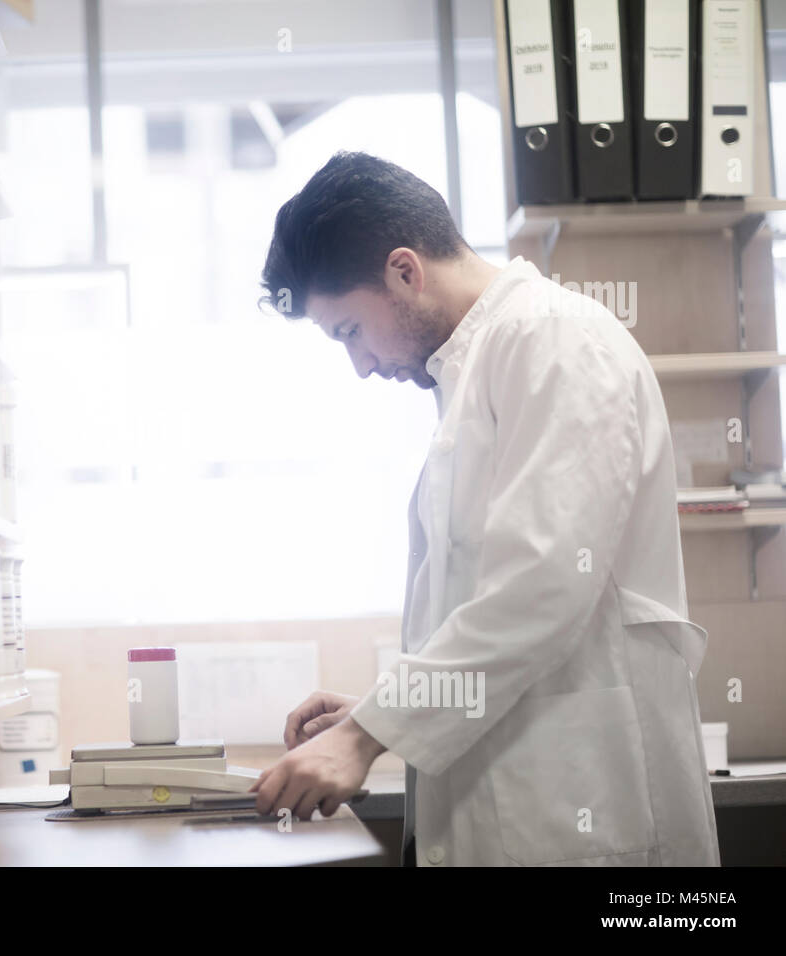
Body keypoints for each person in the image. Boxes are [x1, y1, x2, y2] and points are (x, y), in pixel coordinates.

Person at [249, 151, 719, 867]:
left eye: (349, 332)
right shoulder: (475, 372)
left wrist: (365, 736)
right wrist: (377, 714)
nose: (363, 365)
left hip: (584, 815)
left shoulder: (556, 340)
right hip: (518, 809)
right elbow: (480, 613)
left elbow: (541, 588)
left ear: (405, 271)